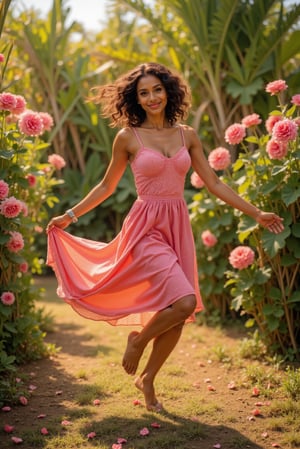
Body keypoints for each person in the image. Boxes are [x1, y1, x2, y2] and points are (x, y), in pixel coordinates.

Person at [46, 62, 284, 412]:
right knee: (185, 302)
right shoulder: (129, 137)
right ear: (136, 99)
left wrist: (256, 213)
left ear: (168, 91)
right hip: (145, 227)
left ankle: (148, 380)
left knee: (178, 310)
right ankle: (138, 341)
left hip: (177, 225)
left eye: (157, 89)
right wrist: (70, 216)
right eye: (144, 93)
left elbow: (214, 183)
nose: (152, 97)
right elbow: (106, 185)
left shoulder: (186, 134)